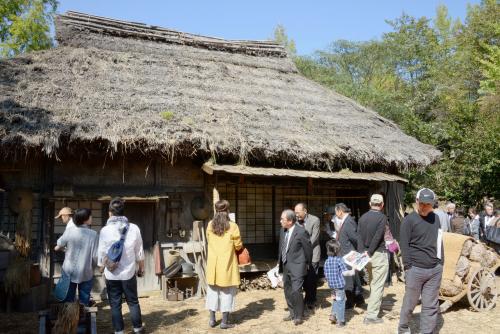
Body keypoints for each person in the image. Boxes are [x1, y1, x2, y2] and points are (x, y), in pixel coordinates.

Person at [398, 188, 444, 334]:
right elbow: (403, 245)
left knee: (430, 306)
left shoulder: (436, 218)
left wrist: (440, 261)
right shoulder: (409, 220)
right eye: (422, 203)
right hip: (415, 270)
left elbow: (439, 240)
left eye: (428, 204)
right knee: (409, 304)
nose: (424, 207)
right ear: (417, 201)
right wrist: (408, 266)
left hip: (434, 270)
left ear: (433, 204)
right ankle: (403, 328)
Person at [98, 198, 145, 334]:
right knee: (133, 302)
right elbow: (139, 252)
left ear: (110, 213)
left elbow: (101, 253)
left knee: (115, 304)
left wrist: (101, 266)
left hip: (111, 273)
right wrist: (141, 268)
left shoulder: (105, 230)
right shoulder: (134, 228)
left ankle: (119, 331)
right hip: (129, 272)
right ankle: (137, 329)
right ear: (124, 212)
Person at [205, 200, 243, 329]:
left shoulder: (210, 225)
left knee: (212, 292)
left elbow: (208, 240)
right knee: (227, 293)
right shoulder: (233, 226)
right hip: (227, 264)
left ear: (216, 211)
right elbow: (238, 246)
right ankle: (224, 322)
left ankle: (212, 320)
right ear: (227, 211)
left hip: (213, 265)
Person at [54, 208, 98, 305]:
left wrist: (66, 249)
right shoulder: (94, 234)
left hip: (69, 270)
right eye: (90, 216)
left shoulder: (70, 231)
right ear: (85, 218)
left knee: (68, 300)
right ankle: (82, 316)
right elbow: (95, 256)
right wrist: (93, 267)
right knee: (84, 300)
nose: (92, 218)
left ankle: (68, 318)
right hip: (86, 270)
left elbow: (59, 243)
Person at [357, 194, 388, 325]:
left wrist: (362, 252)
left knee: (372, 283)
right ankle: (371, 316)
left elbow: (358, 235)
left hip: (365, 255)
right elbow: (378, 236)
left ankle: (372, 308)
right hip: (377, 254)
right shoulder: (382, 217)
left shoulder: (363, 217)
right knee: (377, 285)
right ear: (382, 205)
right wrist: (369, 252)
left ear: (370, 204)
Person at [278, 209, 312, 326]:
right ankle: (292, 312)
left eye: (282, 219)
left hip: (298, 265)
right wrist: (280, 263)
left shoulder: (301, 232)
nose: (280, 221)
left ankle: (298, 315)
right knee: (287, 290)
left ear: (290, 221)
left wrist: (307, 263)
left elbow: (308, 249)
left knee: (296, 290)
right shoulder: (283, 230)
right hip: (286, 264)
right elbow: (282, 247)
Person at [335, 203, 364, 309]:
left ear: (340, 211)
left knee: (348, 279)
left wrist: (358, 253)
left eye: (336, 212)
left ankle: (351, 301)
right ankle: (359, 299)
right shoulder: (346, 221)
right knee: (352, 277)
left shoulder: (349, 222)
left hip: (349, 254)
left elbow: (355, 238)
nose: (336, 214)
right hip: (346, 253)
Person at [323, 239, 355, 328]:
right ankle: (341, 321)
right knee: (341, 302)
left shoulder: (326, 261)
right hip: (339, 287)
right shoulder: (339, 260)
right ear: (337, 250)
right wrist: (353, 270)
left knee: (335, 299)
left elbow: (325, 274)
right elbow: (345, 273)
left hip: (331, 286)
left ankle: (333, 315)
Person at [294, 203, 320, 309]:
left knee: (312, 278)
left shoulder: (315, 220)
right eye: (295, 213)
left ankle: (311, 300)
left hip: (313, 252)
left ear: (305, 211)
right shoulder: (295, 221)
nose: (296, 215)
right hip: (300, 254)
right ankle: (304, 298)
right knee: (303, 277)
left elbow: (315, 237)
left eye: (298, 213)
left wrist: (304, 246)